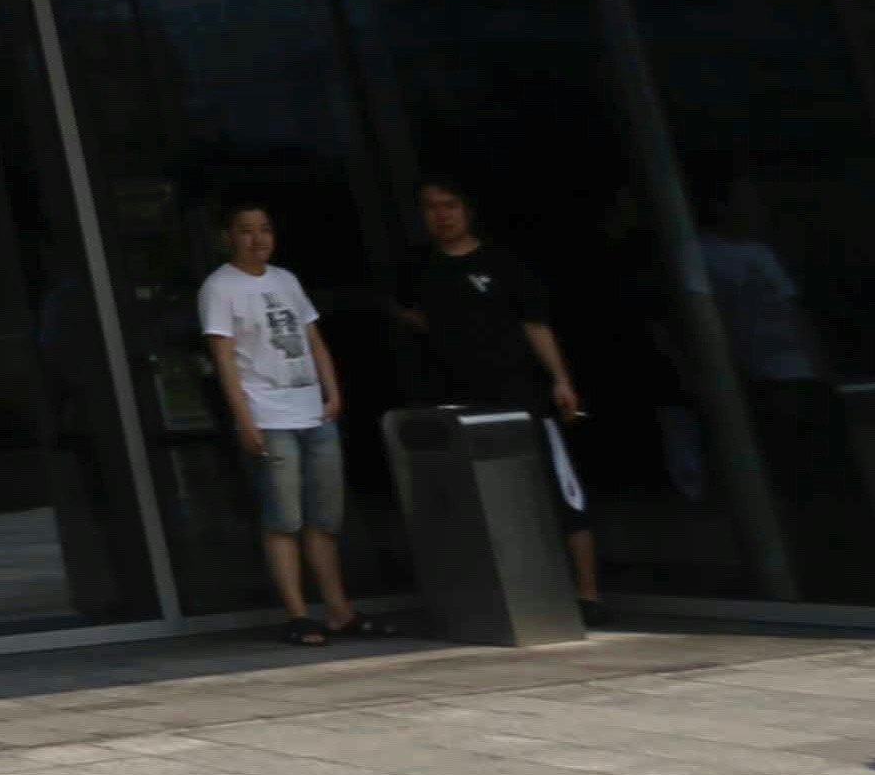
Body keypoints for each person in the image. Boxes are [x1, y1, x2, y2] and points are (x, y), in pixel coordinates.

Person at [403, 179, 601, 617]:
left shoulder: (502, 262)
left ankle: (587, 592)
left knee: (559, 488)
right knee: (478, 497)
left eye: (450, 204)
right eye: (431, 207)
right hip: (460, 401)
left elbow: (535, 323)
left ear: (467, 209)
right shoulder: (420, 270)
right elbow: (410, 316)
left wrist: (561, 380)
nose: (442, 214)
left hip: (522, 393)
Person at [197, 204, 367, 643]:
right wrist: (244, 418)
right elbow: (224, 358)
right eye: (247, 231)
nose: (258, 239)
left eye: (265, 230)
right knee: (283, 519)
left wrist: (332, 390)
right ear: (229, 237)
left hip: (312, 409)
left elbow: (313, 338)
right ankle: (297, 614)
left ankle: (339, 611)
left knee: (323, 519)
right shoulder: (219, 287)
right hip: (268, 414)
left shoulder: (286, 279)